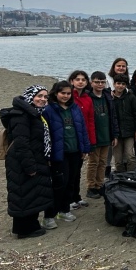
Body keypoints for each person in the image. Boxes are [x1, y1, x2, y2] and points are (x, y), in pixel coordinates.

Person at [4, 85, 54, 238]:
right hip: (22, 161)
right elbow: (21, 143)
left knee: (30, 193)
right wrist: (30, 166)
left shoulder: (33, 113)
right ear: (29, 96)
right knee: (22, 193)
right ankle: (24, 229)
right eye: (39, 96)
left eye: (45, 97)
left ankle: (29, 226)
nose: (43, 99)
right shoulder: (21, 115)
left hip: (33, 158)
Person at [44, 81, 91, 222]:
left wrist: (85, 148)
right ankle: (49, 215)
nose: (65, 96)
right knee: (59, 184)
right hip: (59, 153)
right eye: (62, 93)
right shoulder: (49, 110)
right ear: (55, 93)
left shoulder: (75, 108)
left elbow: (82, 129)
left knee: (71, 181)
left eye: (68, 93)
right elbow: (46, 134)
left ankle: (64, 209)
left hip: (75, 151)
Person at [87, 71, 118, 199]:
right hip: (94, 136)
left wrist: (114, 135)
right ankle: (91, 186)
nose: (100, 84)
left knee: (103, 162)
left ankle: (99, 185)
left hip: (106, 135)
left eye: (102, 82)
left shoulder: (107, 97)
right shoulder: (88, 97)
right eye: (97, 82)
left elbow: (113, 117)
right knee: (93, 162)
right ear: (91, 83)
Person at [68, 70, 95, 206]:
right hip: (70, 137)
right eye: (77, 79)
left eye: (83, 79)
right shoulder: (68, 96)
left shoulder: (87, 98)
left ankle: (76, 196)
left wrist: (90, 140)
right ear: (72, 81)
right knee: (69, 171)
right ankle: (69, 199)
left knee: (78, 168)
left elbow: (90, 120)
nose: (80, 82)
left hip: (83, 137)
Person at [111, 74, 136, 173]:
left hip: (129, 131)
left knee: (130, 156)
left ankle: (131, 176)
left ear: (126, 85)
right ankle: (120, 177)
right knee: (118, 159)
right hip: (116, 133)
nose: (120, 86)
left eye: (123, 84)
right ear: (114, 84)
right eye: (118, 83)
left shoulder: (130, 97)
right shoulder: (110, 98)